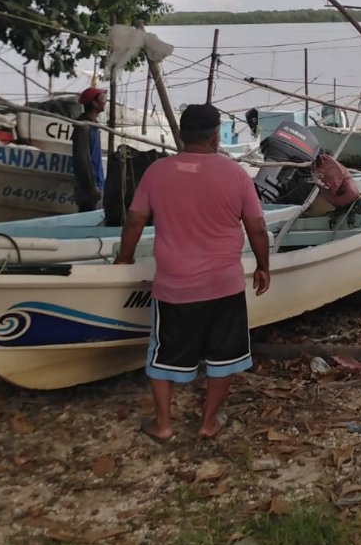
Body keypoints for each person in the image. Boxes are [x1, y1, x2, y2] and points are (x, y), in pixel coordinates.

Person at [114, 103, 270, 442]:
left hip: (175, 286)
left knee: (163, 353)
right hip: (224, 285)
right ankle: (208, 422)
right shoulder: (235, 174)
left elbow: (135, 220)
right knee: (224, 357)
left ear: (182, 135)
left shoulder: (157, 171)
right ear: (216, 136)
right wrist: (263, 266)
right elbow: (257, 228)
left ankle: (163, 424)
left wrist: (124, 260)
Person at [72, 86, 107, 212]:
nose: (105, 102)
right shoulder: (83, 127)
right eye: (102, 98)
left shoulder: (93, 126)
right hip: (89, 190)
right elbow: (82, 159)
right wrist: (91, 187)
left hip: (96, 185)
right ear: (93, 103)